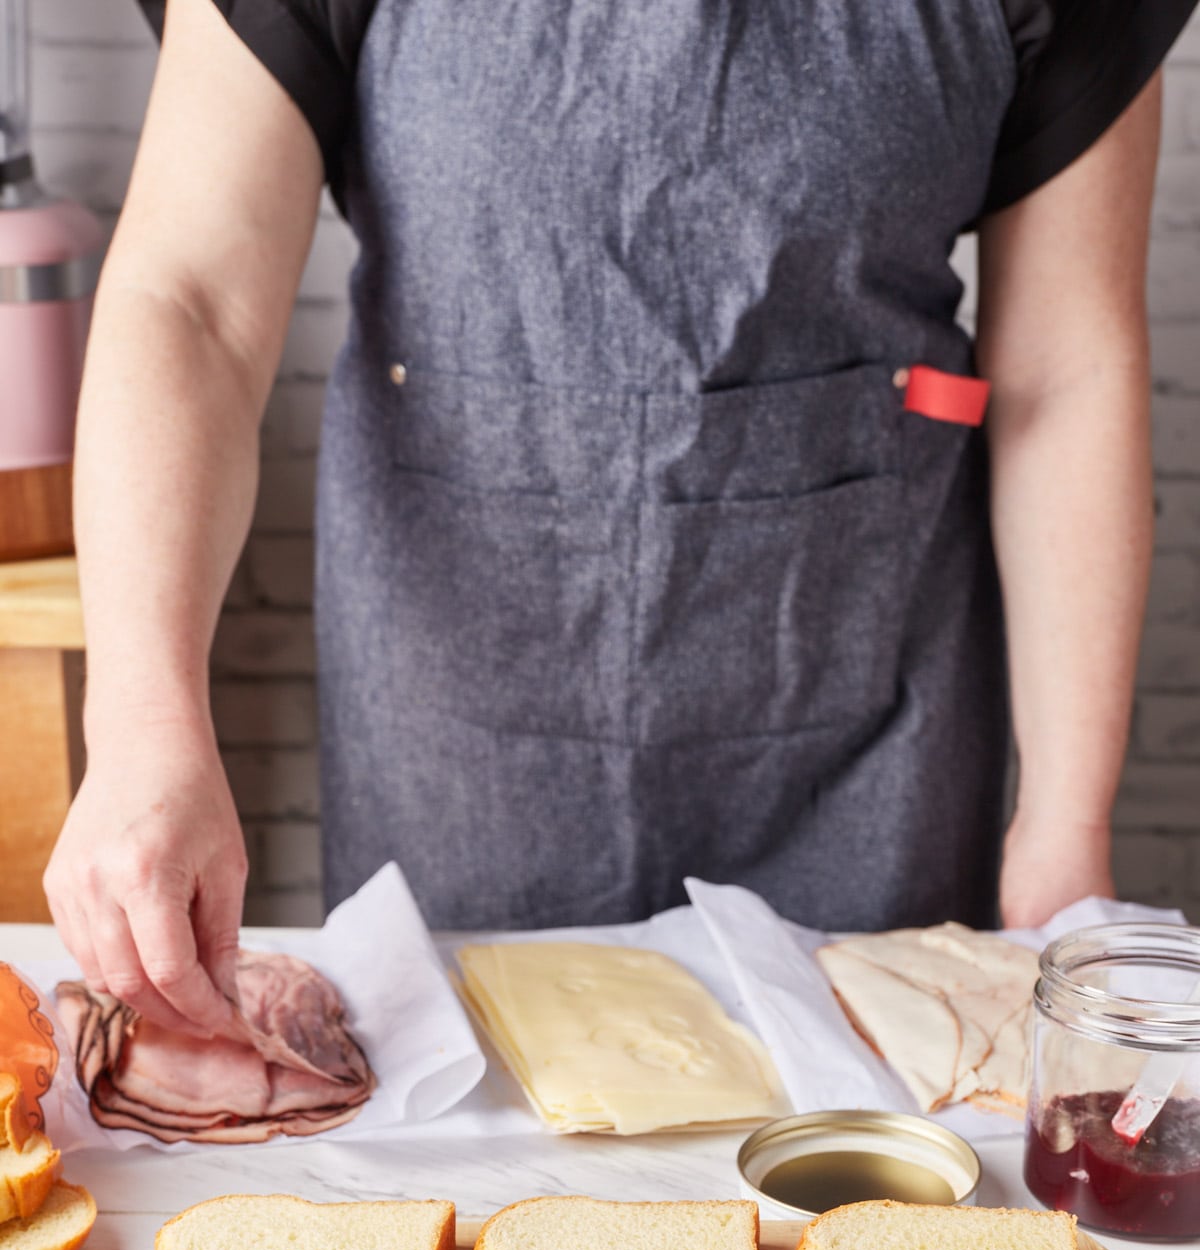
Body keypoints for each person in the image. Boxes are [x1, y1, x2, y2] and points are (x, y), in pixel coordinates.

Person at [44, 0, 1195, 1037]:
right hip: (463, 735)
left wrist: (1065, 828)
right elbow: (191, 298)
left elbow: (1066, 368)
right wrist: (144, 722)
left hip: (871, 734)